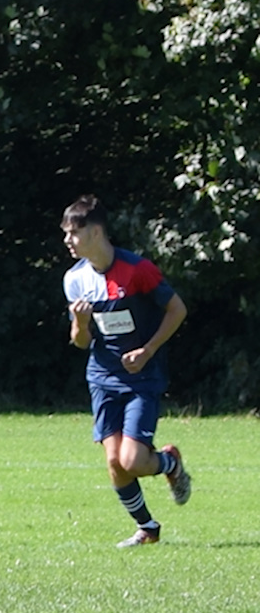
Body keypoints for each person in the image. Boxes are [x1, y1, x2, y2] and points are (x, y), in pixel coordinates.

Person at [62, 195, 194, 546]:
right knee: (115, 463)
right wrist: (79, 321)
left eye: (73, 233)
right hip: (102, 378)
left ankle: (170, 464)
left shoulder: (137, 270)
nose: (67, 241)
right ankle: (147, 528)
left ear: (96, 232)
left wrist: (148, 350)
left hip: (142, 377)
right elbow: (79, 342)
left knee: (133, 459)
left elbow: (177, 310)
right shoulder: (74, 280)